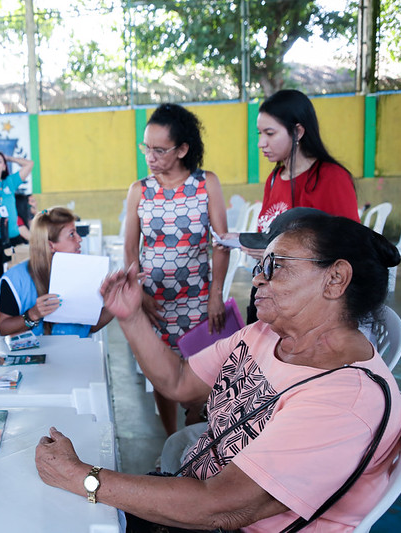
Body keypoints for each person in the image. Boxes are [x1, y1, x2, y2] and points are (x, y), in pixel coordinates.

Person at [36, 211, 401, 532]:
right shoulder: (265, 335)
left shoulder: (346, 400)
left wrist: (82, 478)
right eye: (259, 266)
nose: (258, 279)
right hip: (195, 499)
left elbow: (221, 506)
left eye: (274, 266)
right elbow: (178, 381)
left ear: (335, 279)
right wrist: (131, 316)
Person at [123, 103, 230, 436]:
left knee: (201, 372)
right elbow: (130, 248)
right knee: (162, 374)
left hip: (198, 300)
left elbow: (221, 243)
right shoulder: (139, 190)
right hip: (155, 302)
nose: (150, 157)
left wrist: (216, 296)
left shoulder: (206, 184)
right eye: (146, 148)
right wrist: (139, 294)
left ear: (182, 149)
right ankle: (171, 439)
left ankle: (196, 441)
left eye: (159, 150)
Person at [221, 89, 360, 324]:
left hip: (311, 308)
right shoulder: (274, 179)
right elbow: (271, 235)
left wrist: (278, 255)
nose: (261, 143)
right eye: (260, 133)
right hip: (272, 298)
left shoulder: (331, 177)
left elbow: (351, 248)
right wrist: (242, 240)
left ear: (298, 132)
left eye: (270, 133)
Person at [0, 207, 113, 337]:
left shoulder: (86, 270)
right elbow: (4, 328)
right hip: (34, 349)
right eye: (72, 234)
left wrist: (115, 304)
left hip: (75, 348)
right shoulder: (16, 279)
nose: (79, 239)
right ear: (50, 245)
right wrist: (32, 314)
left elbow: (92, 325)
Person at [0, 151, 35, 271]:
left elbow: (29, 164)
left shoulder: (10, 182)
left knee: (16, 273)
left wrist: (8, 158)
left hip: (13, 238)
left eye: (0, 161)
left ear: (4, 167)